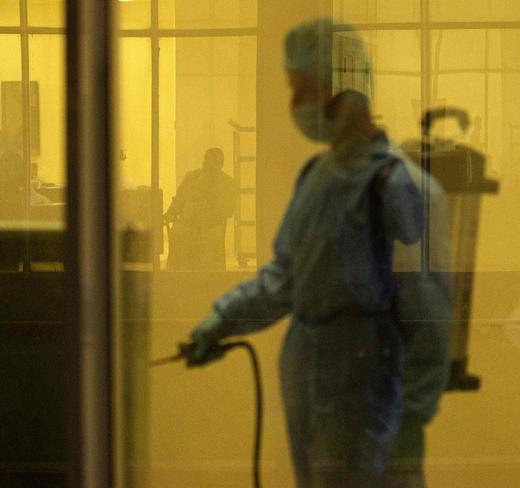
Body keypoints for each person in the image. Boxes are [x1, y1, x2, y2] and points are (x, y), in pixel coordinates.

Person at [188, 18, 446, 487]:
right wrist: (222, 320)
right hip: (312, 383)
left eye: (305, 88)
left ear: (344, 89)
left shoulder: (397, 187)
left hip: (369, 394)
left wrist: (411, 419)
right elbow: (286, 280)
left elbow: (426, 314)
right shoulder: (316, 179)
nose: (295, 104)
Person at [165, 147, 237, 271]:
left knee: (204, 239)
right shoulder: (191, 177)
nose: (211, 166)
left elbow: (229, 209)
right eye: (208, 162)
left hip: (211, 224)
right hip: (187, 222)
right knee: (178, 233)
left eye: (216, 163)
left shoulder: (227, 183)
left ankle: (205, 278)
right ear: (204, 161)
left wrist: (213, 203)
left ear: (221, 164)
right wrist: (169, 213)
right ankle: (177, 275)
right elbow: (179, 199)